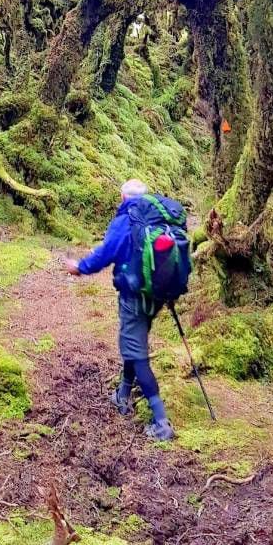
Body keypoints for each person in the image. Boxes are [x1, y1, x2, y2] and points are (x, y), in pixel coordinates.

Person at [64, 178, 176, 440]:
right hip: (155, 295)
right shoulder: (157, 218)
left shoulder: (126, 221)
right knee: (133, 343)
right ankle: (123, 395)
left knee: (136, 354)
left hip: (133, 296)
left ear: (124, 197)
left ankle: (162, 422)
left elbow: (105, 254)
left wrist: (79, 267)